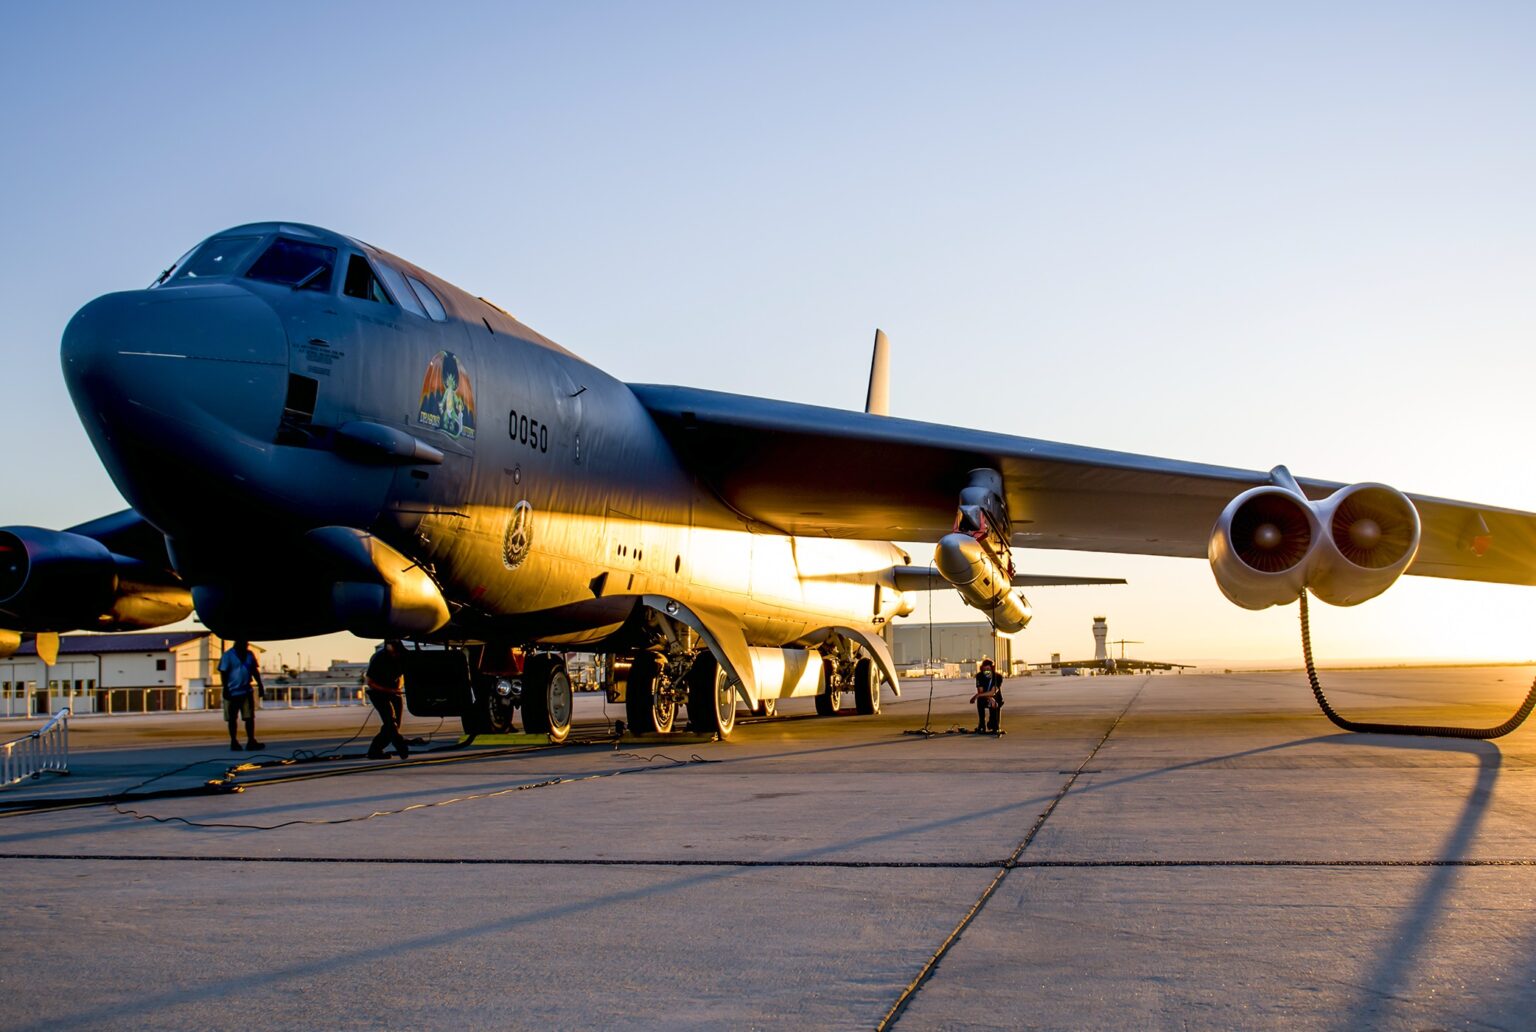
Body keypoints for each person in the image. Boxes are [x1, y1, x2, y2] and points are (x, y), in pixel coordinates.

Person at [217, 640, 265, 751]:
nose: (246, 645)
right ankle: (234, 741)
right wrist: (226, 689)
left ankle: (251, 741)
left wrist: (260, 684)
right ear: (237, 644)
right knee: (232, 718)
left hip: (246, 691)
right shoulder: (228, 655)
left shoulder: (249, 655)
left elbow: (254, 670)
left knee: (249, 718)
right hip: (232, 692)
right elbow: (223, 672)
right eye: (245, 644)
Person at [366, 640, 410, 760]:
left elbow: (404, 674)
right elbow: (370, 682)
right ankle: (399, 744)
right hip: (378, 693)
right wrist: (389, 690)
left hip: (395, 693)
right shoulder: (379, 658)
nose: (394, 655)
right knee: (390, 723)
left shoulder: (403, 656)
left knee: (394, 725)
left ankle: (375, 751)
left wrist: (398, 688)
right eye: (392, 653)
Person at [970, 658, 1004, 734]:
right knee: (980, 700)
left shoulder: (998, 677)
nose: (986, 671)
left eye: (988, 669)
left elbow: (993, 692)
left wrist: (976, 696)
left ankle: (995, 725)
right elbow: (980, 691)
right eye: (984, 669)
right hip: (984, 698)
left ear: (992, 668)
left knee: (994, 724)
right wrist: (989, 698)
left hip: (996, 699)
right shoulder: (979, 676)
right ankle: (981, 724)